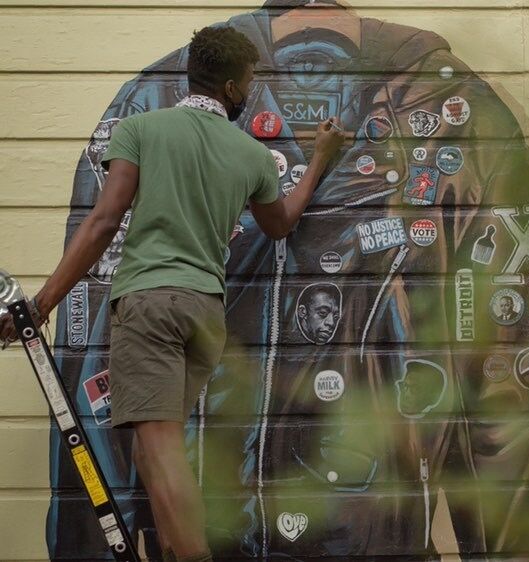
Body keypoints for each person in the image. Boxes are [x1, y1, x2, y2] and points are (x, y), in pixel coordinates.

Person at [0, 24, 345, 562]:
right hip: (204, 314)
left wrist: (43, 303)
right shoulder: (251, 154)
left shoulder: (141, 129)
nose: (250, 92)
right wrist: (320, 157)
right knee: (152, 446)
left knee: (160, 450)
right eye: (250, 82)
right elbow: (280, 225)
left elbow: (103, 222)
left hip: (151, 306)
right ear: (231, 88)